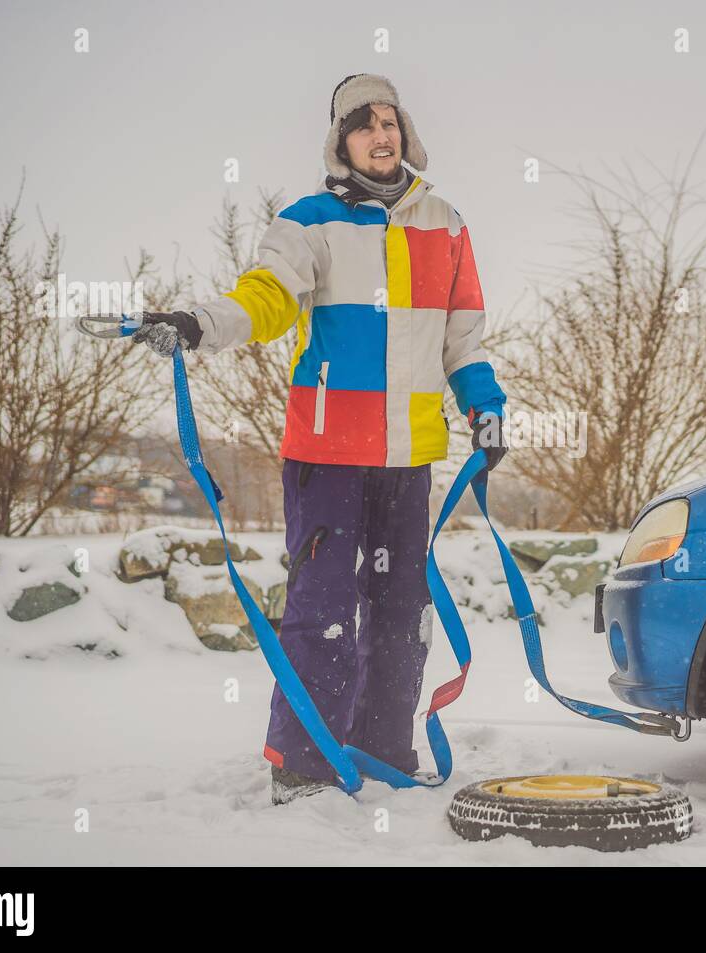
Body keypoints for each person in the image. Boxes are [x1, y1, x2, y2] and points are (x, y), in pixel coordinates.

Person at [130, 73, 508, 804]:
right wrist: (197, 326)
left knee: (402, 611)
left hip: (408, 458)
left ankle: (380, 750)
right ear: (341, 141)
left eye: (390, 120)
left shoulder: (446, 223)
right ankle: (304, 765)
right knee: (324, 608)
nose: (381, 133)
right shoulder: (308, 219)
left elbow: (463, 337)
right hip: (327, 454)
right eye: (364, 123)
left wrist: (484, 407)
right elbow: (265, 300)